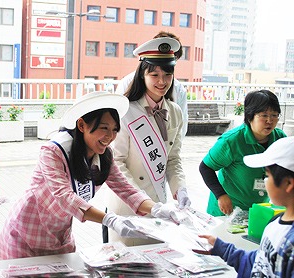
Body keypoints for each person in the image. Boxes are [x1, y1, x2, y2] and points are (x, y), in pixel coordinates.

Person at [0, 91, 171, 259]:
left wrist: (158, 209)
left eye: (115, 129)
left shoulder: (104, 156)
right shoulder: (53, 151)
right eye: (104, 128)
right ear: (81, 125)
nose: (110, 136)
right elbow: (64, 197)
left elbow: (127, 190)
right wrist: (109, 219)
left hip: (59, 235)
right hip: (25, 233)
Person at [105, 37, 191, 246]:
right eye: (154, 75)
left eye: (167, 74)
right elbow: (116, 162)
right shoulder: (125, 111)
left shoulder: (175, 111)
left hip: (160, 206)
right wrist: (141, 200)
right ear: (142, 75)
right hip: (128, 207)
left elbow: (173, 159)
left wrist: (181, 189)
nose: (162, 81)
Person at [196, 136, 294, 277]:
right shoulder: (275, 223)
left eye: (267, 175)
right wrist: (223, 249)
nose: (264, 181)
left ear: (288, 184)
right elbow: (262, 262)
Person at [199, 90, 286, 216]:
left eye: (274, 115)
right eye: (264, 115)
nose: (270, 120)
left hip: (259, 208)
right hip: (228, 209)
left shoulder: (279, 139)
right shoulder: (232, 141)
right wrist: (221, 195)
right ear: (250, 116)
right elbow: (205, 167)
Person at [115, 31, 188, 137]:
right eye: (154, 75)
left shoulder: (178, 90)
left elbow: (180, 129)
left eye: (173, 58)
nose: (162, 81)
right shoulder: (127, 83)